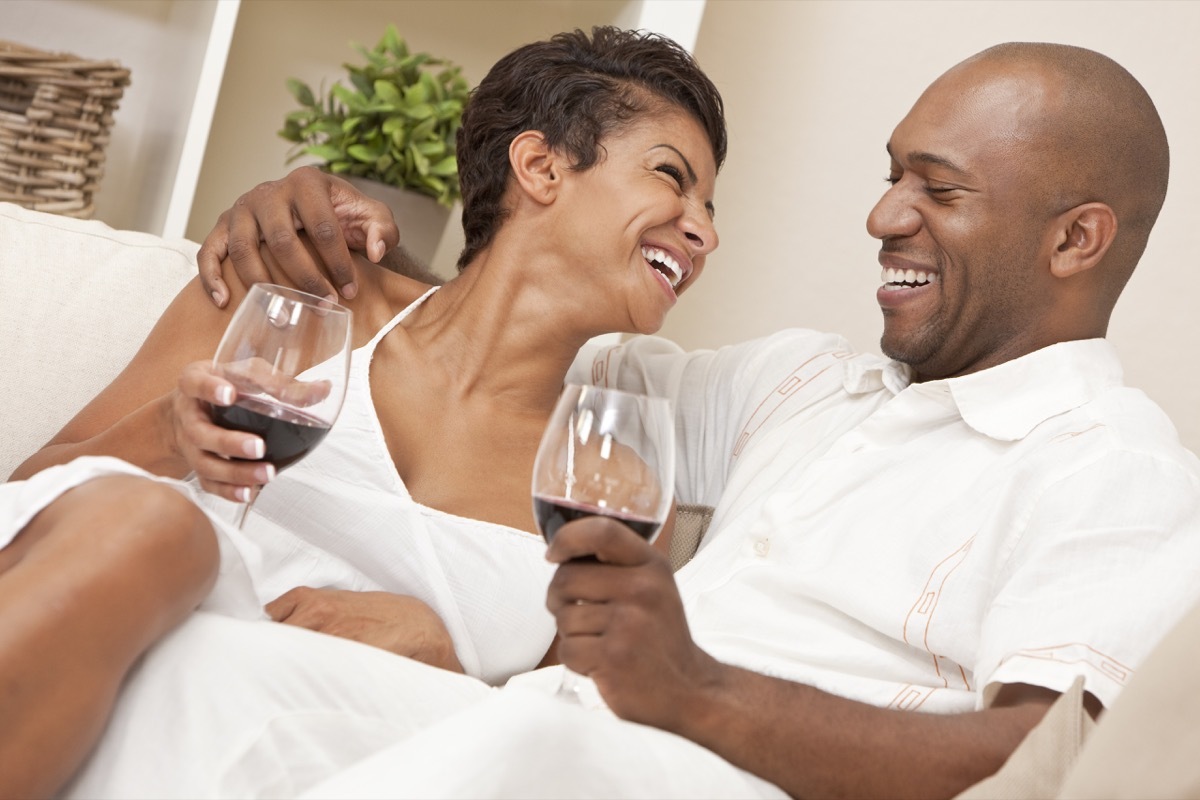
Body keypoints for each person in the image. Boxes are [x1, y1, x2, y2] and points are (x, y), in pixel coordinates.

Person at [195, 41, 1200, 799]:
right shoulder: (807, 381)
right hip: (541, 728)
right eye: (892, 174)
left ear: (1076, 239)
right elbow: (510, 329)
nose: (885, 216)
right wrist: (317, 234)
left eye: (937, 188)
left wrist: (699, 690)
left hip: (676, 770)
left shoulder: (1110, 461)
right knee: (222, 670)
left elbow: (1053, 754)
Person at [1, 26, 725, 799]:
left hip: (321, 761)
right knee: (156, 526)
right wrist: (165, 434)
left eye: (709, 206)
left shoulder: (611, 479)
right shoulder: (302, 299)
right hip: (91, 684)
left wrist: (445, 655)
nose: (705, 231)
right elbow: (29, 495)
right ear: (541, 166)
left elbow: (563, 732)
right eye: (670, 177)